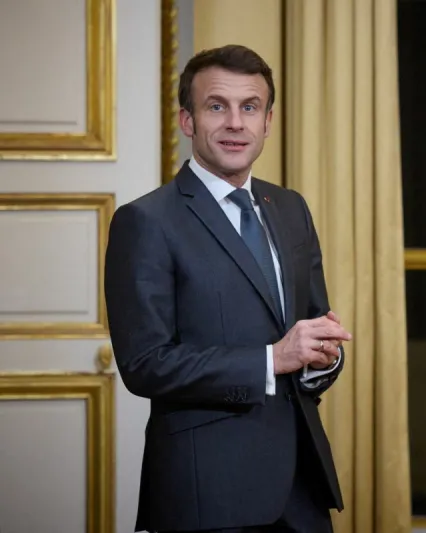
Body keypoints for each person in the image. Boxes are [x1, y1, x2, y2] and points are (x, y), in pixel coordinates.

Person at [105, 44, 351, 533]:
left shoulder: (291, 208)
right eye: (217, 106)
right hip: (206, 495)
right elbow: (145, 365)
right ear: (188, 121)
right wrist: (272, 360)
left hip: (302, 490)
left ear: (268, 121)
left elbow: (311, 326)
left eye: (250, 107)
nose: (235, 123)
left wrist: (323, 358)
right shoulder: (146, 221)